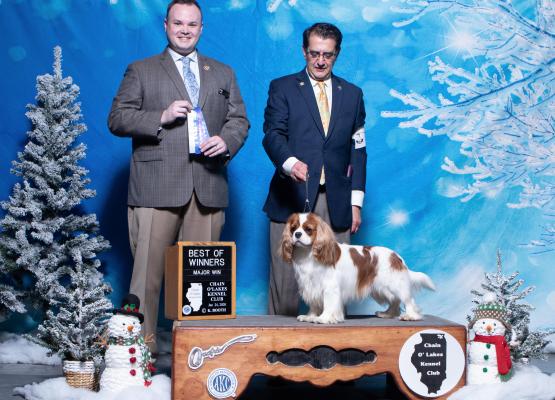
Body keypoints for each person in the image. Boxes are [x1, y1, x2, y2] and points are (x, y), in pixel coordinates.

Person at [108, 0, 249, 352]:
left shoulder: (223, 72)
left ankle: (197, 360)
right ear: (166, 25)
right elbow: (117, 119)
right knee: (147, 280)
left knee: (202, 283)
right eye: (178, 23)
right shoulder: (141, 70)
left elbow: (239, 120)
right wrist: (160, 115)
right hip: (156, 188)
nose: (185, 30)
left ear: (201, 28)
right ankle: (136, 357)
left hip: (207, 187)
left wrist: (226, 141)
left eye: (192, 24)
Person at [263, 22, 366, 316]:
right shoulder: (282, 87)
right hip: (292, 198)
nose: (321, 61)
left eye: (328, 55)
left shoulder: (353, 94)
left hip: (336, 201)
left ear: (337, 54)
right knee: (286, 284)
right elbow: (272, 134)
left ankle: (329, 352)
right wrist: (290, 162)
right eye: (314, 53)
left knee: (333, 282)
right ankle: (279, 354)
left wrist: (355, 202)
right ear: (304, 52)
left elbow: (358, 150)